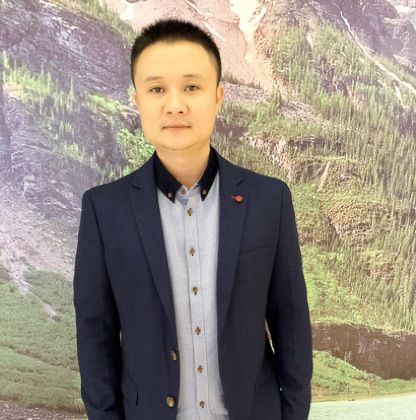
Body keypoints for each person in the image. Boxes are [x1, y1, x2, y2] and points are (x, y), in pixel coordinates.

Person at [73, 17, 312, 420]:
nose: (175, 105)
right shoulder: (104, 209)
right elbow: (95, 338)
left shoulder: (269, 200)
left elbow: (291, 321)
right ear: (137, 100)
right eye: (156, 89)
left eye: (191, 87)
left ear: (218, 97)